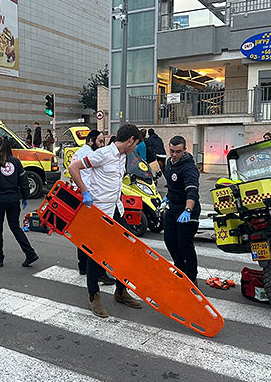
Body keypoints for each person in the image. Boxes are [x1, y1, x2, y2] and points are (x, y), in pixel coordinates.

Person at [68, 123, 144, 318]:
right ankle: (94, 297)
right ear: (130, 141)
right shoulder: (103, 154)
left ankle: (121, 291)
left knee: (126, 250)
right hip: (99, 211)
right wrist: (85, 192)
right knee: (96, 255)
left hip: (116, 209)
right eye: (135, 144)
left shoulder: (123, 156)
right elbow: (73, 167)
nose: (134, 147)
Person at [0, 137, 39, 267]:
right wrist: (25, 197)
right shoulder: (16, 162)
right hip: (14, 200)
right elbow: (24, 181)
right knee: (15, 227)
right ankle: (30, 253)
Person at [162, 135, 200, 283]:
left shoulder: (189, 167)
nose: (174, 155)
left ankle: (191, 278)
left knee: (185, 245)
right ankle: (179, 269)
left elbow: (192, 191)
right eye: (171, 151)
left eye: (178, 151)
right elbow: (172, 186)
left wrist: (188, 210)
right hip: (173, 207)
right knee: (169, 241)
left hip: (187, 210)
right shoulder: (169, 163)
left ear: (185, 150)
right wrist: (167, 196)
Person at [70, 129, 106, 276]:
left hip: (79, 195)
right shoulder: (92, 155)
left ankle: (83, 266)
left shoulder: (78, 153)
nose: (102, 145)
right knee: (93, 237)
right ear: (91, 141)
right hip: (89, 197)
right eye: (100, 141)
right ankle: (96, 272)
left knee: (82, 234)